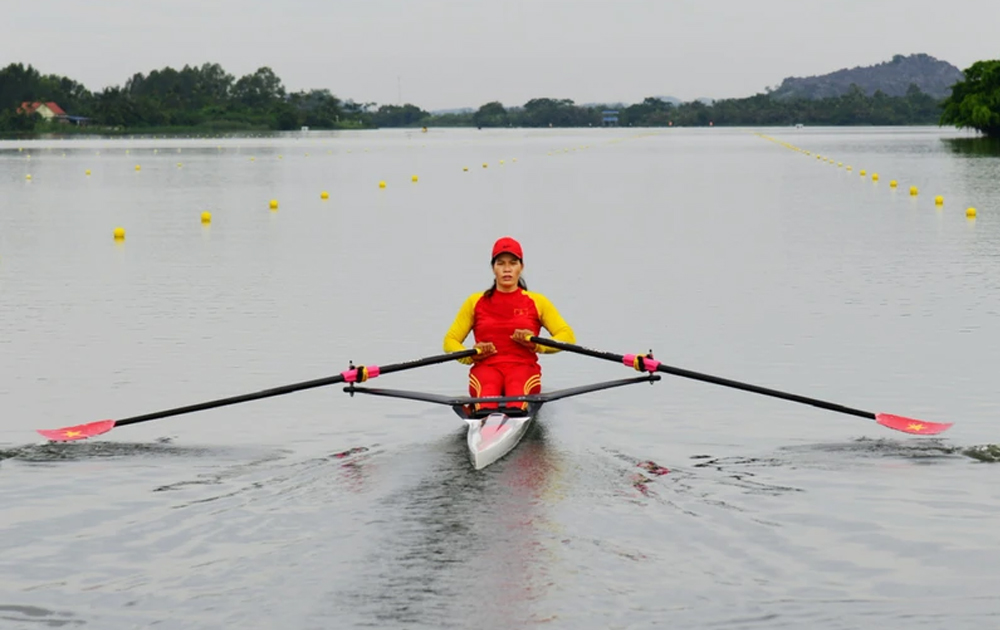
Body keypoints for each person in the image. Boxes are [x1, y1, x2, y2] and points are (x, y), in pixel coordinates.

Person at [443, 236, 575, 413]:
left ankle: (510, 415)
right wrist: (472, 355)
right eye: (500, 263)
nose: (507, 269)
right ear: (493, 268)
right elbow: (450, 341)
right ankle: (484, 417)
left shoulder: (537, 302)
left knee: (517, 386)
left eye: (513, 263)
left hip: (523, 369)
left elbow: (567, 336)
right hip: (486, 368)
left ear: (521, 267)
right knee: (487, 388)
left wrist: (537, 344)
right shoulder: (475, 302)